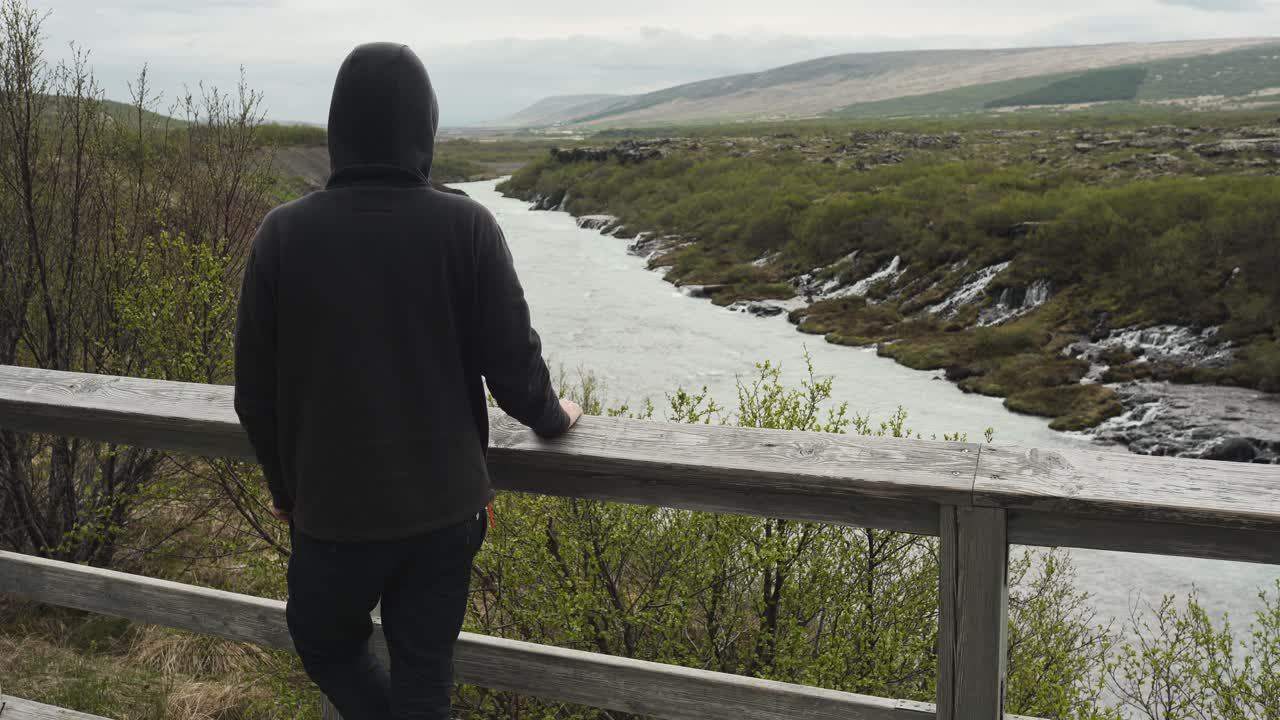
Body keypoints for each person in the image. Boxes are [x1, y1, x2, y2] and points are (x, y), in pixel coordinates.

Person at [233, 42, 583, 720]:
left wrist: (284, 489)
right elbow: (513, 368)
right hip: (447, 514)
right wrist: (555, 418)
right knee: (426, 679)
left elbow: (255, 394)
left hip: (330, 515)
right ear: (424, 127)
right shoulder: (467, 226)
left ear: (338, 129)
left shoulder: (282, 234)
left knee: (326, 647)